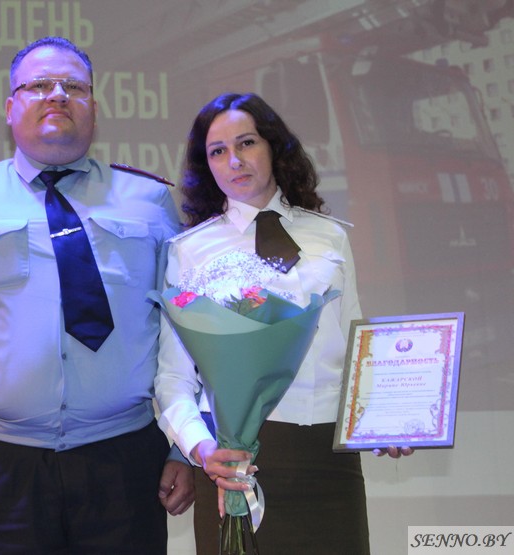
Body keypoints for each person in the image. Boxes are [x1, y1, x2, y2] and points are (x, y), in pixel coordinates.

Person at [0, 36, 193, 554]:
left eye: (74, 86)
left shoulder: (150, 201)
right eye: (39, 85)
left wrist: (187, 448)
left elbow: (188, 332)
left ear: (94, 107)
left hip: (125, 462)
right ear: (10, 107)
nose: (58, 94)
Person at [154, 92, 412, 554]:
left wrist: (385, 421)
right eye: (218, 151)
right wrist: (202, 450)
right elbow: (173, 379)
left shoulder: (330, 236)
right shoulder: (188, 251)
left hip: (329, 459)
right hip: (236, 462)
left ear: (273, 146)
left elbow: (357, 350)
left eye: (247, 143)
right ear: (206, 165)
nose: (235, 160)